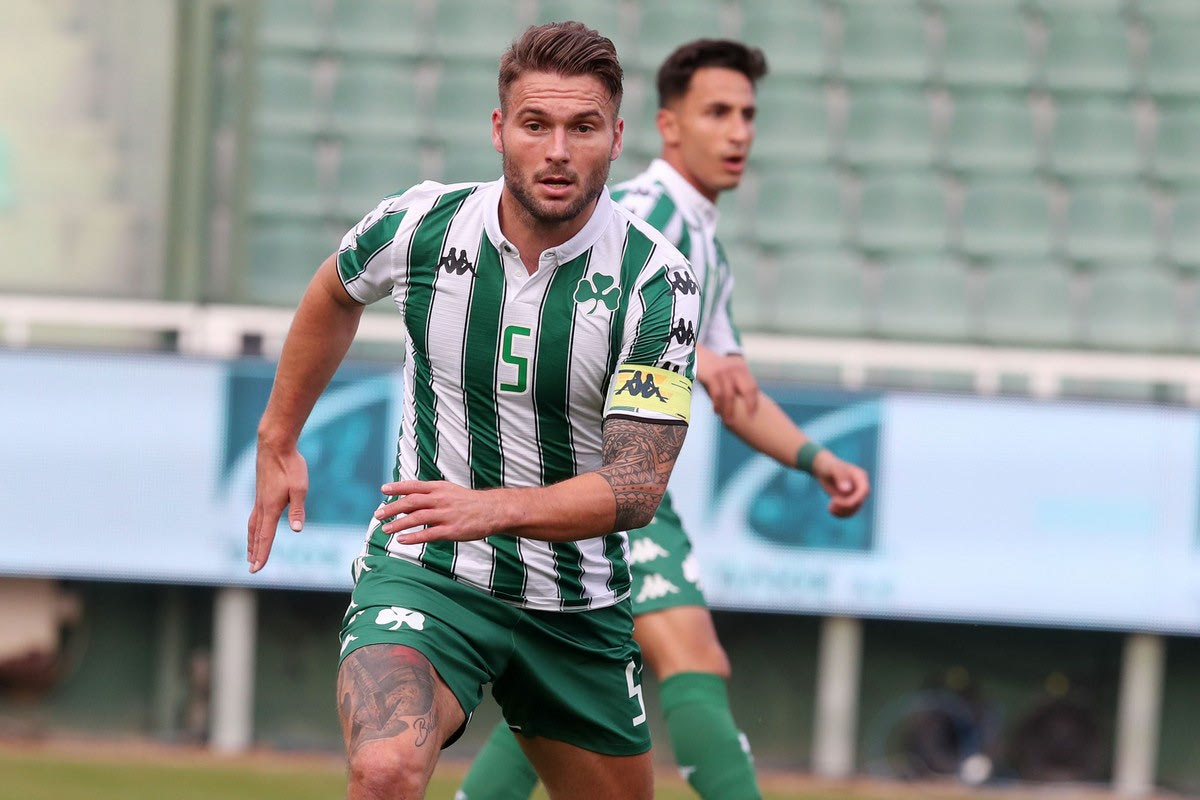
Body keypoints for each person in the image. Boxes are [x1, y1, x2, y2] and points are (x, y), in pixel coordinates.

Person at [246, 22, 702, 800]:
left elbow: (635, 487)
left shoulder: (658, 282)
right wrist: (278, 434)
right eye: (535, 124)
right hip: (429, 572)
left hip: (576, 606)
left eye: (583, 127)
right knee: (385, 769)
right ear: (499, 129)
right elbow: (334, 289)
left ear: (617, 137)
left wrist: (489, 509)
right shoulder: (422, 225)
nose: (557, 151)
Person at [458, 39, 871, 800]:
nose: (738, 132)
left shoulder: (705, 246)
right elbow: (568, 311)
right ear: (669, 126)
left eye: (747, 114)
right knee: (691, 659)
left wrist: (816, 460)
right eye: (717, 112)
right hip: (602, 484)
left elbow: (735, 392)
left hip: (619, 487)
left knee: (563, 692)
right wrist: (695, 360)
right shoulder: (643, 212)